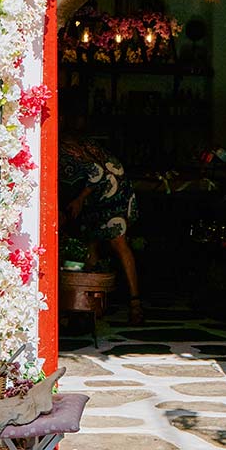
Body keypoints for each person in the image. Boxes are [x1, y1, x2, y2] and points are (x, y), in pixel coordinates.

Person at [59, 135, 143, 325]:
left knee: (118, 241)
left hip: (112, 190)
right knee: (90, 241)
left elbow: (96, 172)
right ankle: (91, 303)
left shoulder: (69, 150)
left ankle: (135, 302)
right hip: (94, 198)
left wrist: (79, 199)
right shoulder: (62, 150)